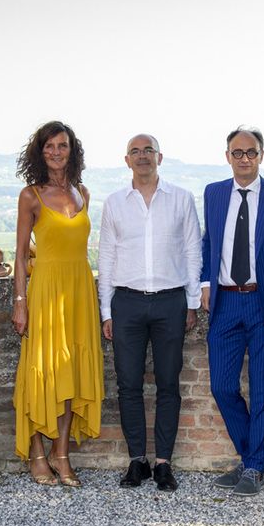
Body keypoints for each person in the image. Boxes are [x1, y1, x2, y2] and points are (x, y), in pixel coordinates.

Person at [201, 126, 264, 497]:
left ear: (261, 156)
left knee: (263, 390)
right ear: (227, 156)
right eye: (237, 152)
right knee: (222, 386)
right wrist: (205, 283)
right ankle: (250, 459)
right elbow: (209, 242)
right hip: (225, 303)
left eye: (251, 152)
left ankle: (255, 467)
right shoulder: (213, 193)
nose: (244, 158)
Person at [98, 134, 201, 492]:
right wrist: (106, 310)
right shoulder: (114, 203)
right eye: (135, 152)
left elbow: (193, 250)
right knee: (128, 384)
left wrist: (191, 302)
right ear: (126, 160)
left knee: (168, 383)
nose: (142, 156)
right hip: (126, 303)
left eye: (148, 151)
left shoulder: (181, 199)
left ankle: (164, 463)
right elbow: (106, 257)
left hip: (170, 301)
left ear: (160, 157)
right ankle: (137, 460)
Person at [11, 121, 104, 487]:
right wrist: (20, 302)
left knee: (72, 373)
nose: (55, 152)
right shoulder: (30, 196)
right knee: (41, 371)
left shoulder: (83, 193)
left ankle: (60, 454)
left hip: (79, 293)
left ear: (71, 150)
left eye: (61, 145)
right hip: (46, 293)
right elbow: (21, 255)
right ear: (40, 152)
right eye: (48, 146)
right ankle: (37, 452)